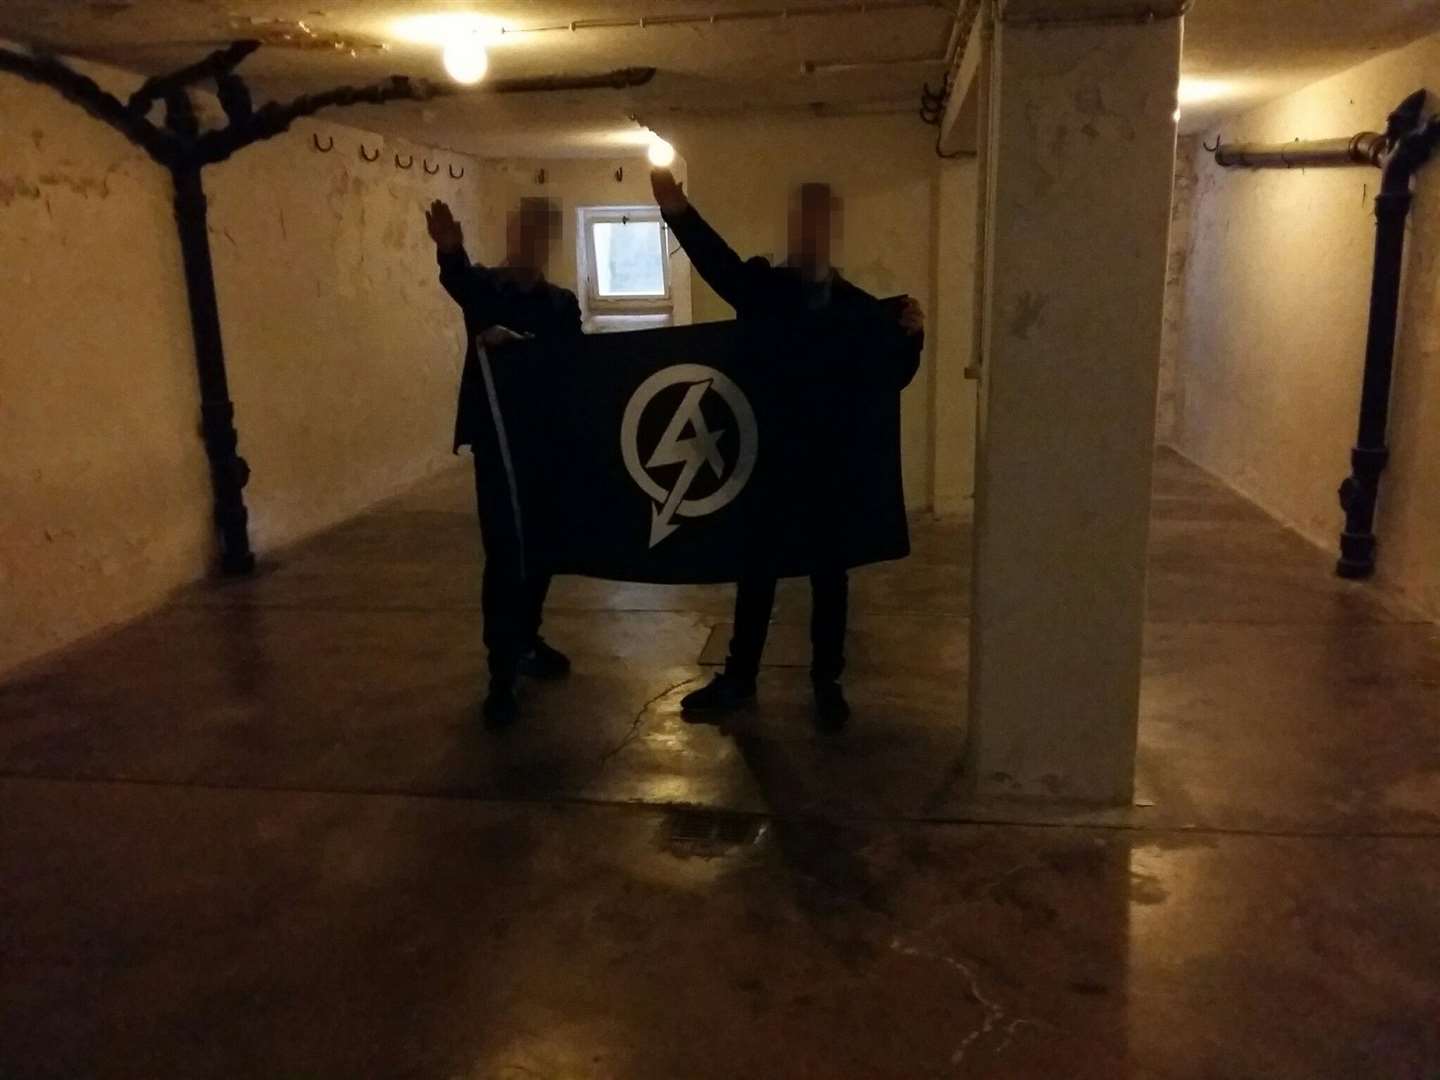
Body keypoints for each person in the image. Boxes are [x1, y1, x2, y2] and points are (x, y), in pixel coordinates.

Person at [650, 169, 925, 730]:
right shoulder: (766, 290)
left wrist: (911, 337)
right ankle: (740, 678)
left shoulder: (858, 310)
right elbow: (717, 262)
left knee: (829, 576)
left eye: (823, 223)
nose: (813, 233)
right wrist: (677, 211)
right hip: (768, 463)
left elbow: (889, 375)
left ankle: (827, 682)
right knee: (757, 572)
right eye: (806, 221)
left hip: (829, 468)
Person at [426, 197, 580, 727]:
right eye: (523, 232)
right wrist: (450, 249)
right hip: (497, 446)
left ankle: (527, 639)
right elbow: (459, 279)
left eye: (540, 234)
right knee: (503, 552)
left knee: (538, 550)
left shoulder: (560, 304)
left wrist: (524, 345)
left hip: (543, 445)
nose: (529, 243)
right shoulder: (486, 290)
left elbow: (572, 363)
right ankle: (500, 669)